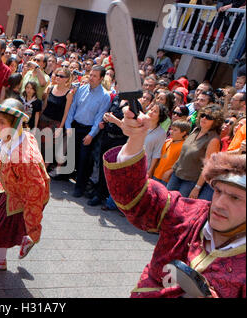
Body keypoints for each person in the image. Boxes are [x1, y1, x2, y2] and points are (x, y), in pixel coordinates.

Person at [103, 106, 246, 298]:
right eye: (218, 191)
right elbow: (136, 197)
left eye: (235, 197)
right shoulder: (191, 213)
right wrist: (136, 139)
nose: (219, 203)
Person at [0, 98, 50, 271]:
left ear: (15, 124)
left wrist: (34, 232)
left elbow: (35, 192)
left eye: (3, 122)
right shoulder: (16, 136)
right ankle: (6, 253)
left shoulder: (25, 158)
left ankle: (3, 257)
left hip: (20, 197)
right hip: (8, 189)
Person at [64, 65, 111, 197]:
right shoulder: (81, 89)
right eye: (90, 75)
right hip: (75, 126)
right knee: (73, 154)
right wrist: (68, 126)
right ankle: (67, 176)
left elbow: (99, 117)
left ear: (101, 78)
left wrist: (91, 134)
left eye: (95, 76)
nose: (91, 78)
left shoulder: (104, 96)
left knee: (84, 160)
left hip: (89, 130)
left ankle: (80, 187)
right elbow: (72, 108)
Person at [167, 104, 223, 200]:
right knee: (166, 201)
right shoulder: (195, 130)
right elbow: (183, 154)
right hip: (177, 175)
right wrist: (172, 170)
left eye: (209, 117)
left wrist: (197, 187)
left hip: (190, 181)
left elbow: (207, 166)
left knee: (179, 207)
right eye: (202, 115)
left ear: (215, 121)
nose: (204, 118)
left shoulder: (213, 140)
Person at [38, 67, 73, 172]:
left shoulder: (69, 93)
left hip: (56, 123)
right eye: (57, 75)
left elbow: (66, 113)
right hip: (44, 119)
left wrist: (60, 128)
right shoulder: (50, 88)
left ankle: (44, 171)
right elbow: (44, 106)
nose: (58, 77)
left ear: (67, 79)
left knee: (49, 148)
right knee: (40, 145)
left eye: (61, 76)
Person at [153, 120, 191, 186]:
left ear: (183, 133)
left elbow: (181, 164)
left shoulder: (184, 146)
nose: (171, 132)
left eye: (175, 130)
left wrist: (170, 171)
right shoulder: (167, 142)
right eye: (171, 129)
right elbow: (162, 157)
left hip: (167, 179)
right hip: (156, 174)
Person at [144, 103, 168, 178]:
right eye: (151, 110)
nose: (151, 112)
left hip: (144, 165)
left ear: (160, 116)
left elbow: (156, 153)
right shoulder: (141, 124)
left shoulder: (161, 133)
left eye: (155, 111)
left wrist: (150, 170)